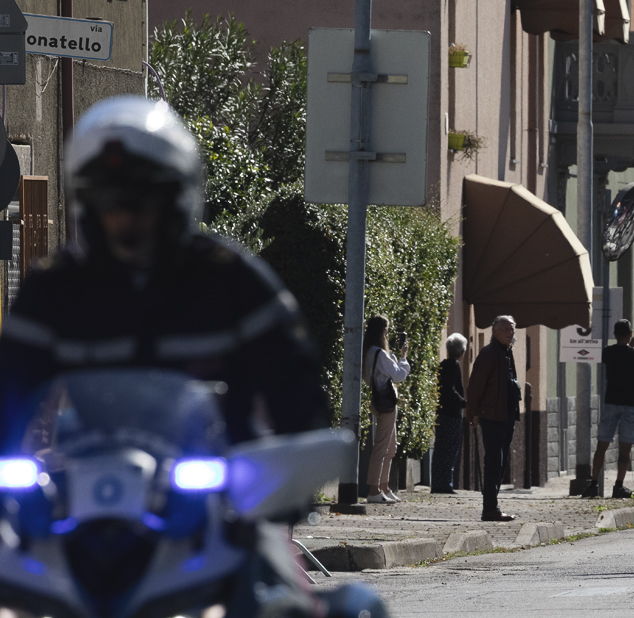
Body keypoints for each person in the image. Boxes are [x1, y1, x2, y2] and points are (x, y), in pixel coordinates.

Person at [0, 96, 328, 449]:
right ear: (89, 206)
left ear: (173, 200)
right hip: (88, 481)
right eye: (110, 202)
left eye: (141, 200)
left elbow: (297, 394)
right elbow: (7, 390)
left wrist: (288, 476)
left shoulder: (230, 279)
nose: (125, 218)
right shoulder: (54, 287)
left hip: (219, 488)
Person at [581, 319, 634, 498]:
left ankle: (593, 484)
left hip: (611, 403)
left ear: (615, 335)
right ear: (631, 334)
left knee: (602, 445)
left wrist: (630, 344)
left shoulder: (607, 352)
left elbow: (621, 352)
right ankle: (618, 486)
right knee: (625, 448)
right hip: (630, 406)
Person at [465, 315, 522, 521]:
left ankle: (492, 505)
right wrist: (473, 412)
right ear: (495, 331)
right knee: (494, 462)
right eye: (507, 329)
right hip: (492, 416)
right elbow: (475, 386)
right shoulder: (488, 354)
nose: (511, 333)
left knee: (501, 461)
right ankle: (490, 508)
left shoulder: (507, 353)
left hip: (506, 415)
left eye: (513, 329)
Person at [361, 315, 411, 503]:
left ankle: (384, 487)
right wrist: (403, 357)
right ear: (381, 331)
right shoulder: (380, 353)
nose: (388, 334)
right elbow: (398, 375)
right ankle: (374, 491)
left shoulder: (368, 351)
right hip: (387, 401)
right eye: (387, 330)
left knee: (390, 447)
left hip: (378, 400)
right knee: (382, 446)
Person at [431, 333, 468, 494]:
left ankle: (438, 483)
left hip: (441, 412)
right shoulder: (454, 366)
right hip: (452, 414)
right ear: (462, 352)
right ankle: (445, 484)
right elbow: (451, 389)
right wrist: (463, 402)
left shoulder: (442, 365)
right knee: (449, 449)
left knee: (440, 448)